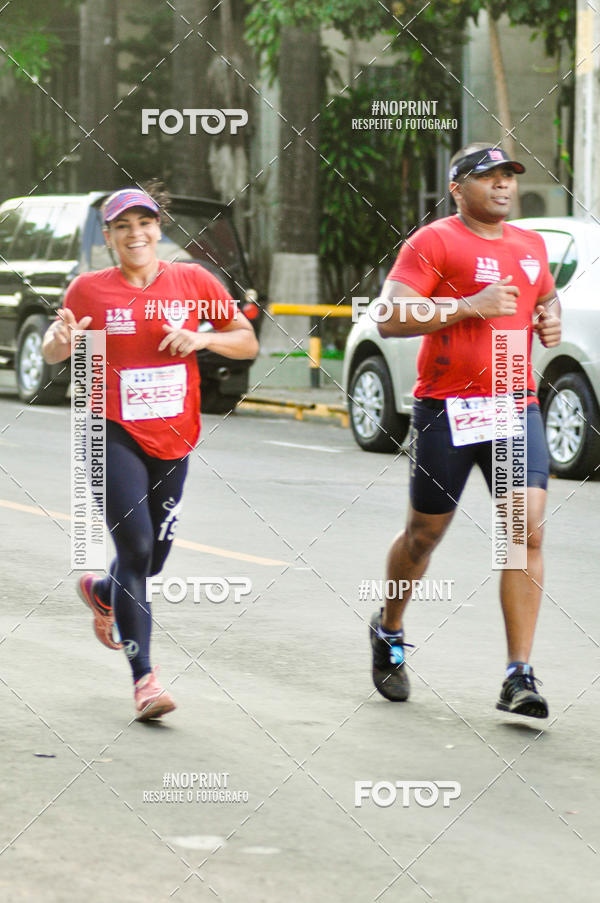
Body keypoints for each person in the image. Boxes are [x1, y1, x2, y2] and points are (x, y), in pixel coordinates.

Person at [42, 186, 258, 721]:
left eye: (145, 223)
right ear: (110, 236)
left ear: (159, 228)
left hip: (174, 435)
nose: (136, 234)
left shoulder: (193, 281)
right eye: (123, 226)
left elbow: (247, 340)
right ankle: (146, 683)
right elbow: (53, 348)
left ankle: (101, 590)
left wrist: (202, 339)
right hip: (108, 430)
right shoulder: (89, 290)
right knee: (135, 548)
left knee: (153, 560)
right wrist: (62, 341)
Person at [369, 143, 561, 718]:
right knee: (423, 536)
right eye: (488, 177)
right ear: (457, 188)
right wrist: (468, 305)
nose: (503, 185)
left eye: (508, 176)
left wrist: (550, 316)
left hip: (513, 404)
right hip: (447, 409)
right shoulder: (433, 242)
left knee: (523, 531)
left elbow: (543, 295)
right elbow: (391, 317)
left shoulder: (531, 245)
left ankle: (518, 675)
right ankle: (389, 628)